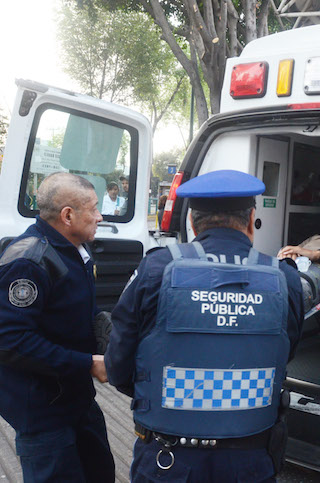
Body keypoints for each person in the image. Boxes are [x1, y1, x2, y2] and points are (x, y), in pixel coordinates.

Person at [105, 169, 304, 482]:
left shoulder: (156, 268)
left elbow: (118, 366)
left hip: (168, 461)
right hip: (250, 462)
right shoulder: (285, 278)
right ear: (251, 219)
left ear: (192, 223)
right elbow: (285, 349)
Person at [0, 172, 115, 482]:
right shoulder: (27, 261)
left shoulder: (76, 248)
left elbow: (76, 310)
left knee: (100, 471)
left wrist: (107, 338)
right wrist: (88, 363)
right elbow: (11, 342)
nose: (99, 216)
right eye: (93, 208)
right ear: (68, 215)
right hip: (42, 410)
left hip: (76, 397)